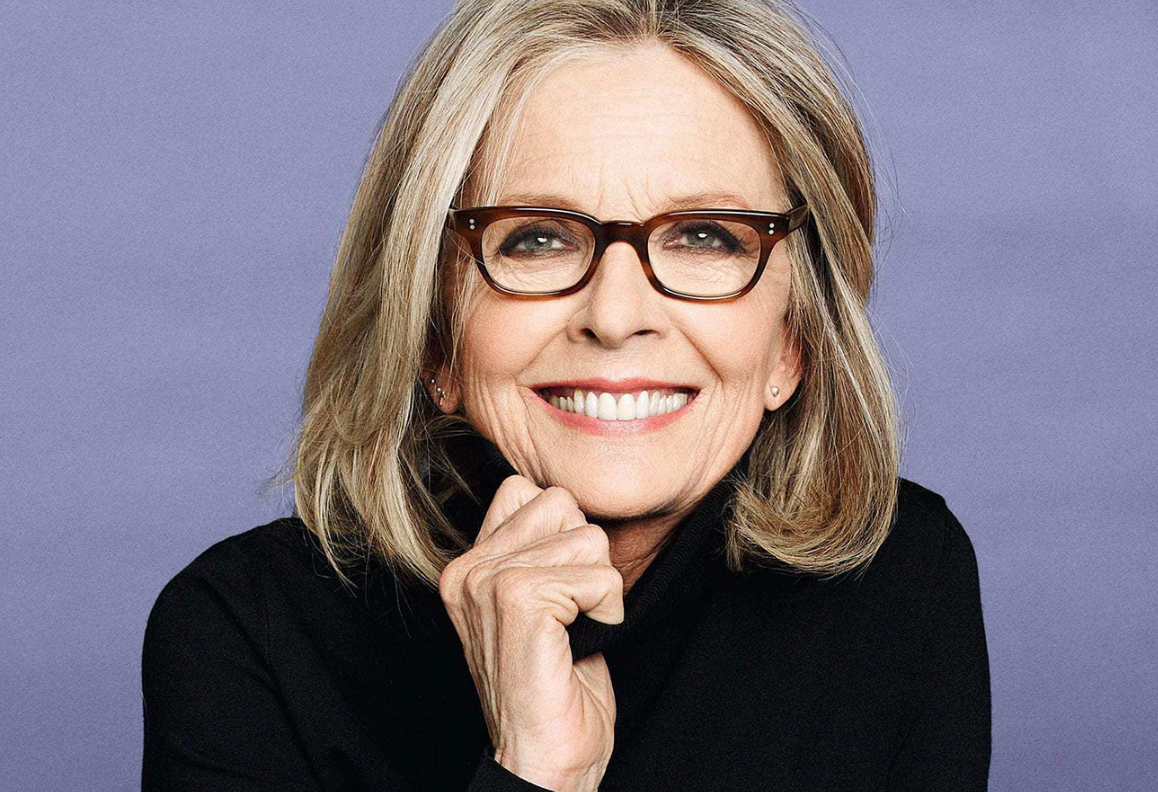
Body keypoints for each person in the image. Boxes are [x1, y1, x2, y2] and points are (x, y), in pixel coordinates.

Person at [140, 0, 991, 789]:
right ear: (433, 336)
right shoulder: (241, 639)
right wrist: (539, 772)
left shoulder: (903, 585)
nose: (615, 317)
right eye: (536, 239)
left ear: (793, 341)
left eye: (705, 236)